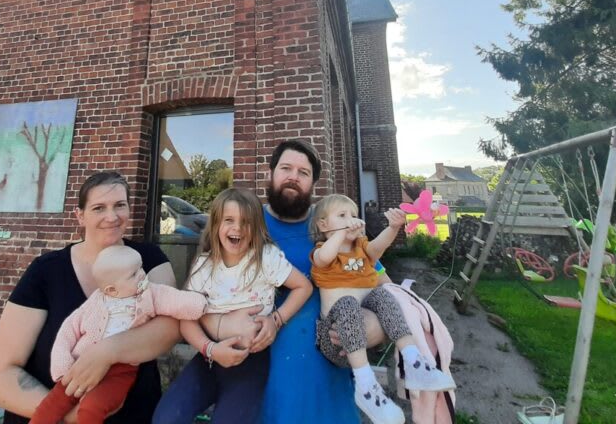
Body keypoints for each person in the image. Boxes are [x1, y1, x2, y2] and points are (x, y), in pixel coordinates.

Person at [201, 139, 390, 423]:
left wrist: (375, 329)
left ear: (314, 183)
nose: (293, 176)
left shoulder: (334, 226)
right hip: (254, 391)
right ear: (270, 173)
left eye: (303, 173)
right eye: (286, 168)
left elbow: (387, 289)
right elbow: (200, 297)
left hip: (329, 392)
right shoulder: (240, 224)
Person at [0, 171, 181, 424]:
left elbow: (170, 329)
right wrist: (70, 415)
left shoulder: (149, 259)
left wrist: (106, 352)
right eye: (99, 208)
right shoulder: (45, 271)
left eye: (120, 205)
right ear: (80, 215)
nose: (112, 217)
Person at [153, 188, 312, 424]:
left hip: (250, 364)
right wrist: (210, 349)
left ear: (256, 227)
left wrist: (276, 319)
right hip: (208, 359)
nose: (237, 228)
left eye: (245, 222)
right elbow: (186, 317)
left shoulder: (265, 257)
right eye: (229, 220)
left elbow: (303, 287)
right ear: (216, 224)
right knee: (166, 418)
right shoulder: (204, 265)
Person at [310, 194, 455, 424]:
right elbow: (323, 257)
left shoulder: (362, 248)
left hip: (360, 336)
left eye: (354, 216)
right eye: (342, 215)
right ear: (323, 224)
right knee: (347, 304)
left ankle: (413, 362)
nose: (351, 220)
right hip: (334, 339)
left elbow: (378, 247)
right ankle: (365, 386)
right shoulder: (322, 252)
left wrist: (393, 227)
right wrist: (339, 234)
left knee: (384, 295)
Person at [30, 245, 208, 424]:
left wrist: (202, 304)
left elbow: (174, 300)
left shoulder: (149, 294)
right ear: (111, 290)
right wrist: (62, 364)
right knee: (52, 404)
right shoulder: (96, 302)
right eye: (133, 274)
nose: (141, 275)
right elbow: (68, 329)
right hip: (80, 365)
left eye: (140, 268)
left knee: (92, 407)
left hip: (120, 370)